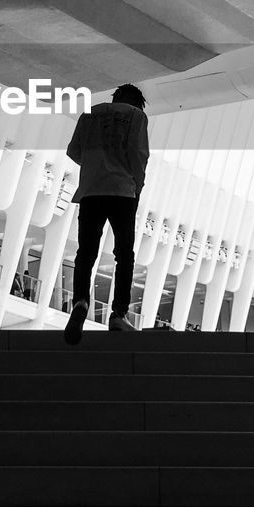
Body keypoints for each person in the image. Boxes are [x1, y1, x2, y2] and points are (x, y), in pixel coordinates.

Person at [63, 83, 150, 345]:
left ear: (115, 97)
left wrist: (95, 164)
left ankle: (80, 301)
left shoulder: (90, 114)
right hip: (122, 190)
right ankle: (118, 315)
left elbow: (73, 151)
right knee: (124, 254)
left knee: (86, 252)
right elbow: (138, 153)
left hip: (90, 191)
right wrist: (138, 184)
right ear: (136, 102)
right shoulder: (136, 116)